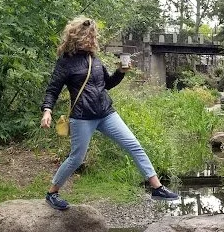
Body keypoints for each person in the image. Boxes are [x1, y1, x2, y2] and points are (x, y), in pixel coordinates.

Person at [40, 16, 179, 209]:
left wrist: (121, 72)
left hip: (106, 113)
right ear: (76, 37)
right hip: (82, 117)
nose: (92, 39)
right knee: (77, 158)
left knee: (134, 145)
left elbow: (107, 84)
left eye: (93, 36)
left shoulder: (94, 59)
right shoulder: (66, 62)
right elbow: (52, 89)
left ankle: (156, 187)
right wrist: (47, 111)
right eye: (88, 36)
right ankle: (52, 193)